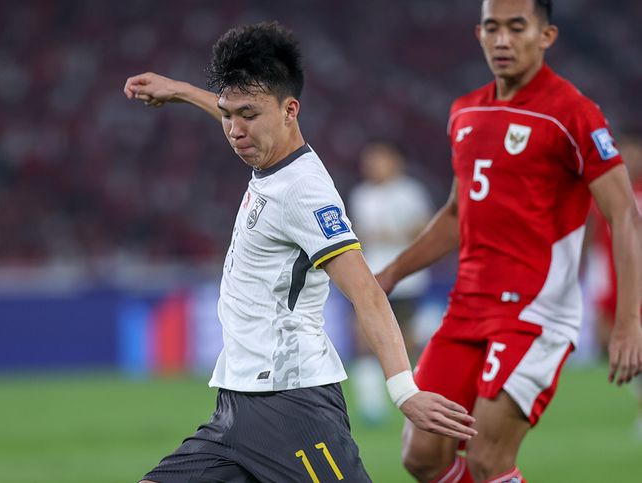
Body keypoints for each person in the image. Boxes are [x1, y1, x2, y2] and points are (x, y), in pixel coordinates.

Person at [124, 22, 476, 483]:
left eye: (248, 115)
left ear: (290, 110)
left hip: (291, 405)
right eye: (228, 114)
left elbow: (366, 292)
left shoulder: (304, 191)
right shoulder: (268, 153)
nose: (234, 130)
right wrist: (181, 91)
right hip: (235, 406)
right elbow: (240, 112)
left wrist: (403, 390)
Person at [375, 1, 642, 482]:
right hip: (466, 308)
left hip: (534, 315)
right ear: (478, 34)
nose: (502, 40)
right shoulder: (465, 112)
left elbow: (624, 214)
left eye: (517, 27)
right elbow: (457, 214)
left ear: (546, 36)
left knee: (487, 457)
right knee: (422, 455)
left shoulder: (573, 113)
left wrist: (629, 321)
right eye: (492, 28)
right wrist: (390, 274)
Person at [349, 141, 435, 425]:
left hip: (406, 280)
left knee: (405, 342)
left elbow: (426, 228)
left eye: (379, 159)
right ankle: (372, 407)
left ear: (395, 162)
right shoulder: (361, 195)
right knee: (364, 339)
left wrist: (395, 234)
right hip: (370, 278)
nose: (373, 166)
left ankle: (418, 393)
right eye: (370, 161)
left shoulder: (410, 192)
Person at [587, 131, 642, 438]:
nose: (630, 158)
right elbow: (596, 238)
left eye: (635, 152)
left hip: (636, 280)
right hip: (612, 279)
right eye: (625, 152)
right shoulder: (606, 191)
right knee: (609, 338)